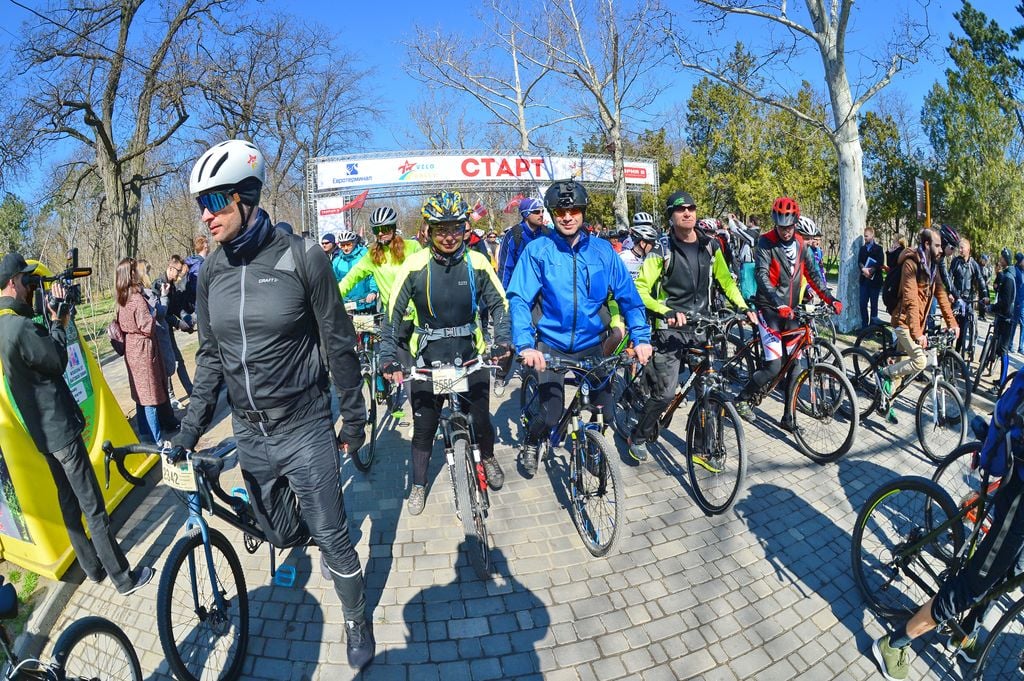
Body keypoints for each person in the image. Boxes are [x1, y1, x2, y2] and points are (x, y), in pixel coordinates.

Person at [171, 139, 373, 669]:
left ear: (246, 197)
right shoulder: (211, 271)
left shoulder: (301, 256)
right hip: (250, 435)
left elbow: (339, 341)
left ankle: (357, 618)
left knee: (331, 535)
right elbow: (211, 357)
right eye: (202, 204)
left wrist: (353, 417)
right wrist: (189, 429)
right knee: (281, 531)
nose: (206, 215)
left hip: (305, 424)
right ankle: (317, 517)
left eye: (215, 201)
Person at [0, 252, 155, 595]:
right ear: (13, 283)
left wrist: (47, 314)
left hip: (43, 436)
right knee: (92, 506)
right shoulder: (19, 327)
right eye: (27, 281)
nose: (30, 287)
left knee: (69, 503)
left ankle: (93, 569)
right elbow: (55, 360)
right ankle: (123, 577)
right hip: (61, 433)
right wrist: (58, 321)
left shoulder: (4, 325)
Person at [871, 369, 1024, 680]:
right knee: (973, 584)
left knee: (1010, 572)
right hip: (1019, 496)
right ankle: (894, 643)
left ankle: (964, 633)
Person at [507, 179, 653, 475]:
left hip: (592, 343)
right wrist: (524, 344)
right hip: (551, 345)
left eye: (573, 209)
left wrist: (640, 337)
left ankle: (594, 447)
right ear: (551, 214)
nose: (568, 216)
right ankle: (533, 441)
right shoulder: (538, 250)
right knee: (550, 414)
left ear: (583, 212)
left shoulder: (602, 251)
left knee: (606, 412)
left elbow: (629, 297)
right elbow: (519, 298)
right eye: (560, 211)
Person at [381, 191, 511, 514]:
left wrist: (503, 340)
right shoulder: (414, 265)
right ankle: (419, 484)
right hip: (428, 362)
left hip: (471, 357)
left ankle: (489, 456)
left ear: (465, 228)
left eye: (456, 228)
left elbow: (500, 305)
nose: (449, 236)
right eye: (441, 229)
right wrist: (388, 355)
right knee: (424, 428)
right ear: (428, 230)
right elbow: (391, 315)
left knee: (482, 420)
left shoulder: (477, 262)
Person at [628, 190, 756, 461]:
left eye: (691, 207)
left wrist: (743, 307)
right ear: (671, 217)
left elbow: (726, 281)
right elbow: (639, 289)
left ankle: (703, 449)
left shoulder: (710, 246)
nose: (687, 212)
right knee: (665, 395)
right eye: (679, 209)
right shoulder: (661, 249)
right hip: (670, 331)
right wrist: (667, 310)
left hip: (702, 329)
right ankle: (638, 435)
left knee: (707, 389)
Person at [734, 197, 842, 427]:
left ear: (795, 223)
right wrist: (777, 302)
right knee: (774, 366)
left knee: (796, 364)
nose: (785, 231)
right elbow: (761, 276)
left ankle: (788, 416)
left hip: (791, 312)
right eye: (781, 227)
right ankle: (742, 399)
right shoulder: (765, 243)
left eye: (789, 227)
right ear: (775, 223)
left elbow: (813, 276)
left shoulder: (802, 245)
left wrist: (830, 299)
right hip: (769, 311)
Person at [339, 206, 422, 416]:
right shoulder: (372, 256)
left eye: (386, 228)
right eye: (377, 230)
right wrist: (331, 298)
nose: (381, 233)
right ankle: (422, 419)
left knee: (428, 370)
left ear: (394, 228)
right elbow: (350, 279)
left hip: (421, 318)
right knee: (409, 373)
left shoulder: (412, 247)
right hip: (396, 321)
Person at [876, 228, 959, 425]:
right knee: (919, 361)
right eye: (937, 245)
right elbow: (911, 299)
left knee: (903, 367)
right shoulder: (911, 264)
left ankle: (885, 405)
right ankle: (883, 373)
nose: (941, 250)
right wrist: (917, 333)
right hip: (903, 322)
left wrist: (952, 323)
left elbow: (941, 294)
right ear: (927, 245)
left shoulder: (932, 267)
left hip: (915, 325)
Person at [114, 258, 169, 444]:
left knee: (139, 394)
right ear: (130, 274)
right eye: (135, 270)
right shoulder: (136, 298)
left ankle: (145, 436)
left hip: (131, 347)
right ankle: (157, 441)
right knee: (149, 397)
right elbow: (147, 327)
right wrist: (153, 314)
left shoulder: (121, 298)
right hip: (143, 349)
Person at [151, 255, 194, 407]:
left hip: (168, 329)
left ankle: (191, 391)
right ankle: (171, 397)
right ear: (170, 268)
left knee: (179, 361)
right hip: (160, 331)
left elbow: (175, 307)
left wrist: (185, 319)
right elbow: (159, 312)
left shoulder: (172, 285)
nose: (179, 274)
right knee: (167, 363)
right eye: (178, 271)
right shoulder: (158, 285)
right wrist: (177, 322)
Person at [496, 197, 550, 290]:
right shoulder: (512, 235)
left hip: (544, 291)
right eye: (536, 212)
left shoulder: (548, 234)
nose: (541, 215)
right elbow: (505, 269)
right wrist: (503, 296)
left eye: (542, 211)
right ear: (526, 214)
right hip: (520, 290)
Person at [985, 248, 1017, 392]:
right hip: (1003, 317)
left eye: (1002, 257)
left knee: (1004, 351)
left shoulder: (1009, 278)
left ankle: (1001, 384)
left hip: (1007, 320)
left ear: (1006, 259)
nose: (1000, 259)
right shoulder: (1006, 275)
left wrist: (992, 308)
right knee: (1000, 349)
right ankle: (1000, 380)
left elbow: (1005, 303)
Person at [948, 237, 984, 357]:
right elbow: (949, 277)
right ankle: (947, 352)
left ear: (968, 249)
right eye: (959, 247)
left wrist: (985, 295)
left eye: (962, 247)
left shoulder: (974, 264)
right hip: (956, 299)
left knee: (963, 331)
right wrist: (950, 293)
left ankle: (956, 355)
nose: (960, 250)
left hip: (968, 301)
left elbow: (980, 280)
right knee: (951, 328)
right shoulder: (955, 261)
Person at [334, 230, 377, 312]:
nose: (346, 248)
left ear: (354, 243)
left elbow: (373, 275)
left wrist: (373, 291)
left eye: (348, 244)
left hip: (365, 302)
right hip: (346, 304)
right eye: (342, 245)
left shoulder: (364, 255)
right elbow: (335, 280)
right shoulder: (337, 261)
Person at [619, 212, 659, 280]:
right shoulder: (623, 257)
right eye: (652, 244)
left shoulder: (653, 259)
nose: (654, 246)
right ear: (643, 244)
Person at [858, 226, 884, 325]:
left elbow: (880, 262)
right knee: (862, 304)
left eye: (867, 236)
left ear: (872, 236)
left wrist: (871, 270)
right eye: (864, 237)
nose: (865, 238)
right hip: (864, 281)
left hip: (875, 282)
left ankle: (872, 327)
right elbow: (859, 261)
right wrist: (863, 269)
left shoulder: (879, 248)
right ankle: (864, 326)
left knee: (874, 305)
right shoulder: (862, 249)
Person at [1012, 252, 1024, 354]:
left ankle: (1021, 347)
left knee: (1023, 324)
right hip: (1017, 302)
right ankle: (1010, 344)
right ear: (1020, 261)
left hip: (1022, 303)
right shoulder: (1016, 271)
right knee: (1014, 323)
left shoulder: (1022, 272)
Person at [977, 252, 992, 321]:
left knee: (986, 299)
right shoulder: (979, 267)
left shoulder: (985, 268)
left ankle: (983, 313)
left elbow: (988, 276)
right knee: (982, 299)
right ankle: (981, 314)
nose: (985, 262)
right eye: (984, 260)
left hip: (985, 285)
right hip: (981, 286)